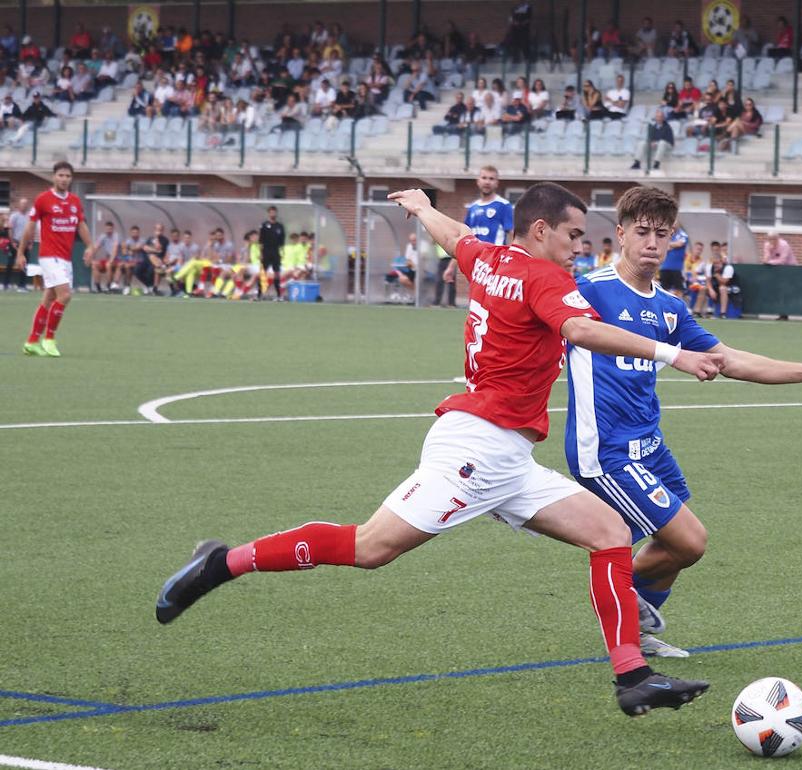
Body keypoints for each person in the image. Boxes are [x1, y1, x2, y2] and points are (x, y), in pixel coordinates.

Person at [155, 181, 724, 717]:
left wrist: (424, 208)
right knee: (370, 546)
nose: (581, 246)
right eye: (575, 235)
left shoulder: (493, 259)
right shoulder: (546, 279)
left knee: (611, 534)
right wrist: (674, 355)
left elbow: (455, 237)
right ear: (544, 229)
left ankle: (632, 677)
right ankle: (222, 563)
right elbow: (579, 332)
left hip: (509, 458)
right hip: (476, 451)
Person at [565, 185, 802, 657]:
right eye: (641, 232)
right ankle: (617, 599)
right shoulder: (588, 291)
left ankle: (630, 614)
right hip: (606, 450)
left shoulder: (669, 308)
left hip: (650, 445)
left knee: (677, 543)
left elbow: (729, 359)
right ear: (620, 234)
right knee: (691, 540)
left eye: (662, 234)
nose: (652, 244)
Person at [17, 162, 95, 357]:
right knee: (65, 295)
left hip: (65, 258)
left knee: (48, 299)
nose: (64, 179)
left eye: (68, 176)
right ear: (53, 177)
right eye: (60, 175)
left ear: (71, 179)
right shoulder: (44, 199)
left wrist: (90, 246)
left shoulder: (75, 201)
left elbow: (81, 225)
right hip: (49, 256)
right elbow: (30, 226)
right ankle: (49, 339)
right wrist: (20, 252)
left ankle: (32, 342)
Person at [259, 206, 286, 299]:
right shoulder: (264, 225)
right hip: (266, 251)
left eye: (274, 212)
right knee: (263, 272)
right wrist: (261, 253)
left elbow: (282, 242)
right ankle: (259, 294)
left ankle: (279, 294)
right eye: (271, 212)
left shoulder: (280, 226)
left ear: (276, 213)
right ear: (268, 213)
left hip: (275, 252)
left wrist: (282, 253)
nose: (273, 214)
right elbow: (261, 241)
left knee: (277, 273)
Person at [657, 222, 688, 298]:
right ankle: (664, 308)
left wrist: (668, 245)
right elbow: (660, 245)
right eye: (672, 223)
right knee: (664, 289)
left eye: (675, 223)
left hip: (677, 267)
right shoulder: (666, 234)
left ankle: (678, 308)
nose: (673, 225)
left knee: (679, 289)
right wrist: (671, 245)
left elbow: (680, 244)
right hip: (664, 266)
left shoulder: (682, 234)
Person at [90, 220, 120, 293]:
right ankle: (98, 287)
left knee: (108, 265)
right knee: (94, 265)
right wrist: (90, 257)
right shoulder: (103, 236)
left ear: (113, 229)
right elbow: (96, 247)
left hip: (116, 259)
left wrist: (111, 260)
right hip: (107, 259)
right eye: (107, 229)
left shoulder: (116, 236)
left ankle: (108, 286)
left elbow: (115, 249)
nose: (108, 230)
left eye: (110, 229)